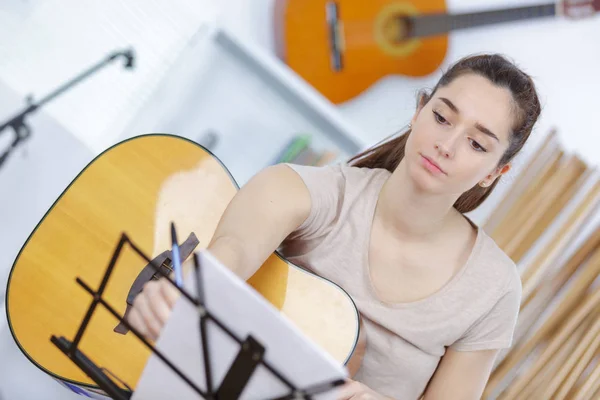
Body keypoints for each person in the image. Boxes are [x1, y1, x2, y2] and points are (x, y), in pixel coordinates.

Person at [127, 53, 542, 399]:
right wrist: (190, 290)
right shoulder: (318, 191)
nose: (446, 145)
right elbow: (234, 248)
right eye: (442, 117)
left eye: (477, 144)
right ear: (419, 112)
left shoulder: (495, 288)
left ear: (495, 172)